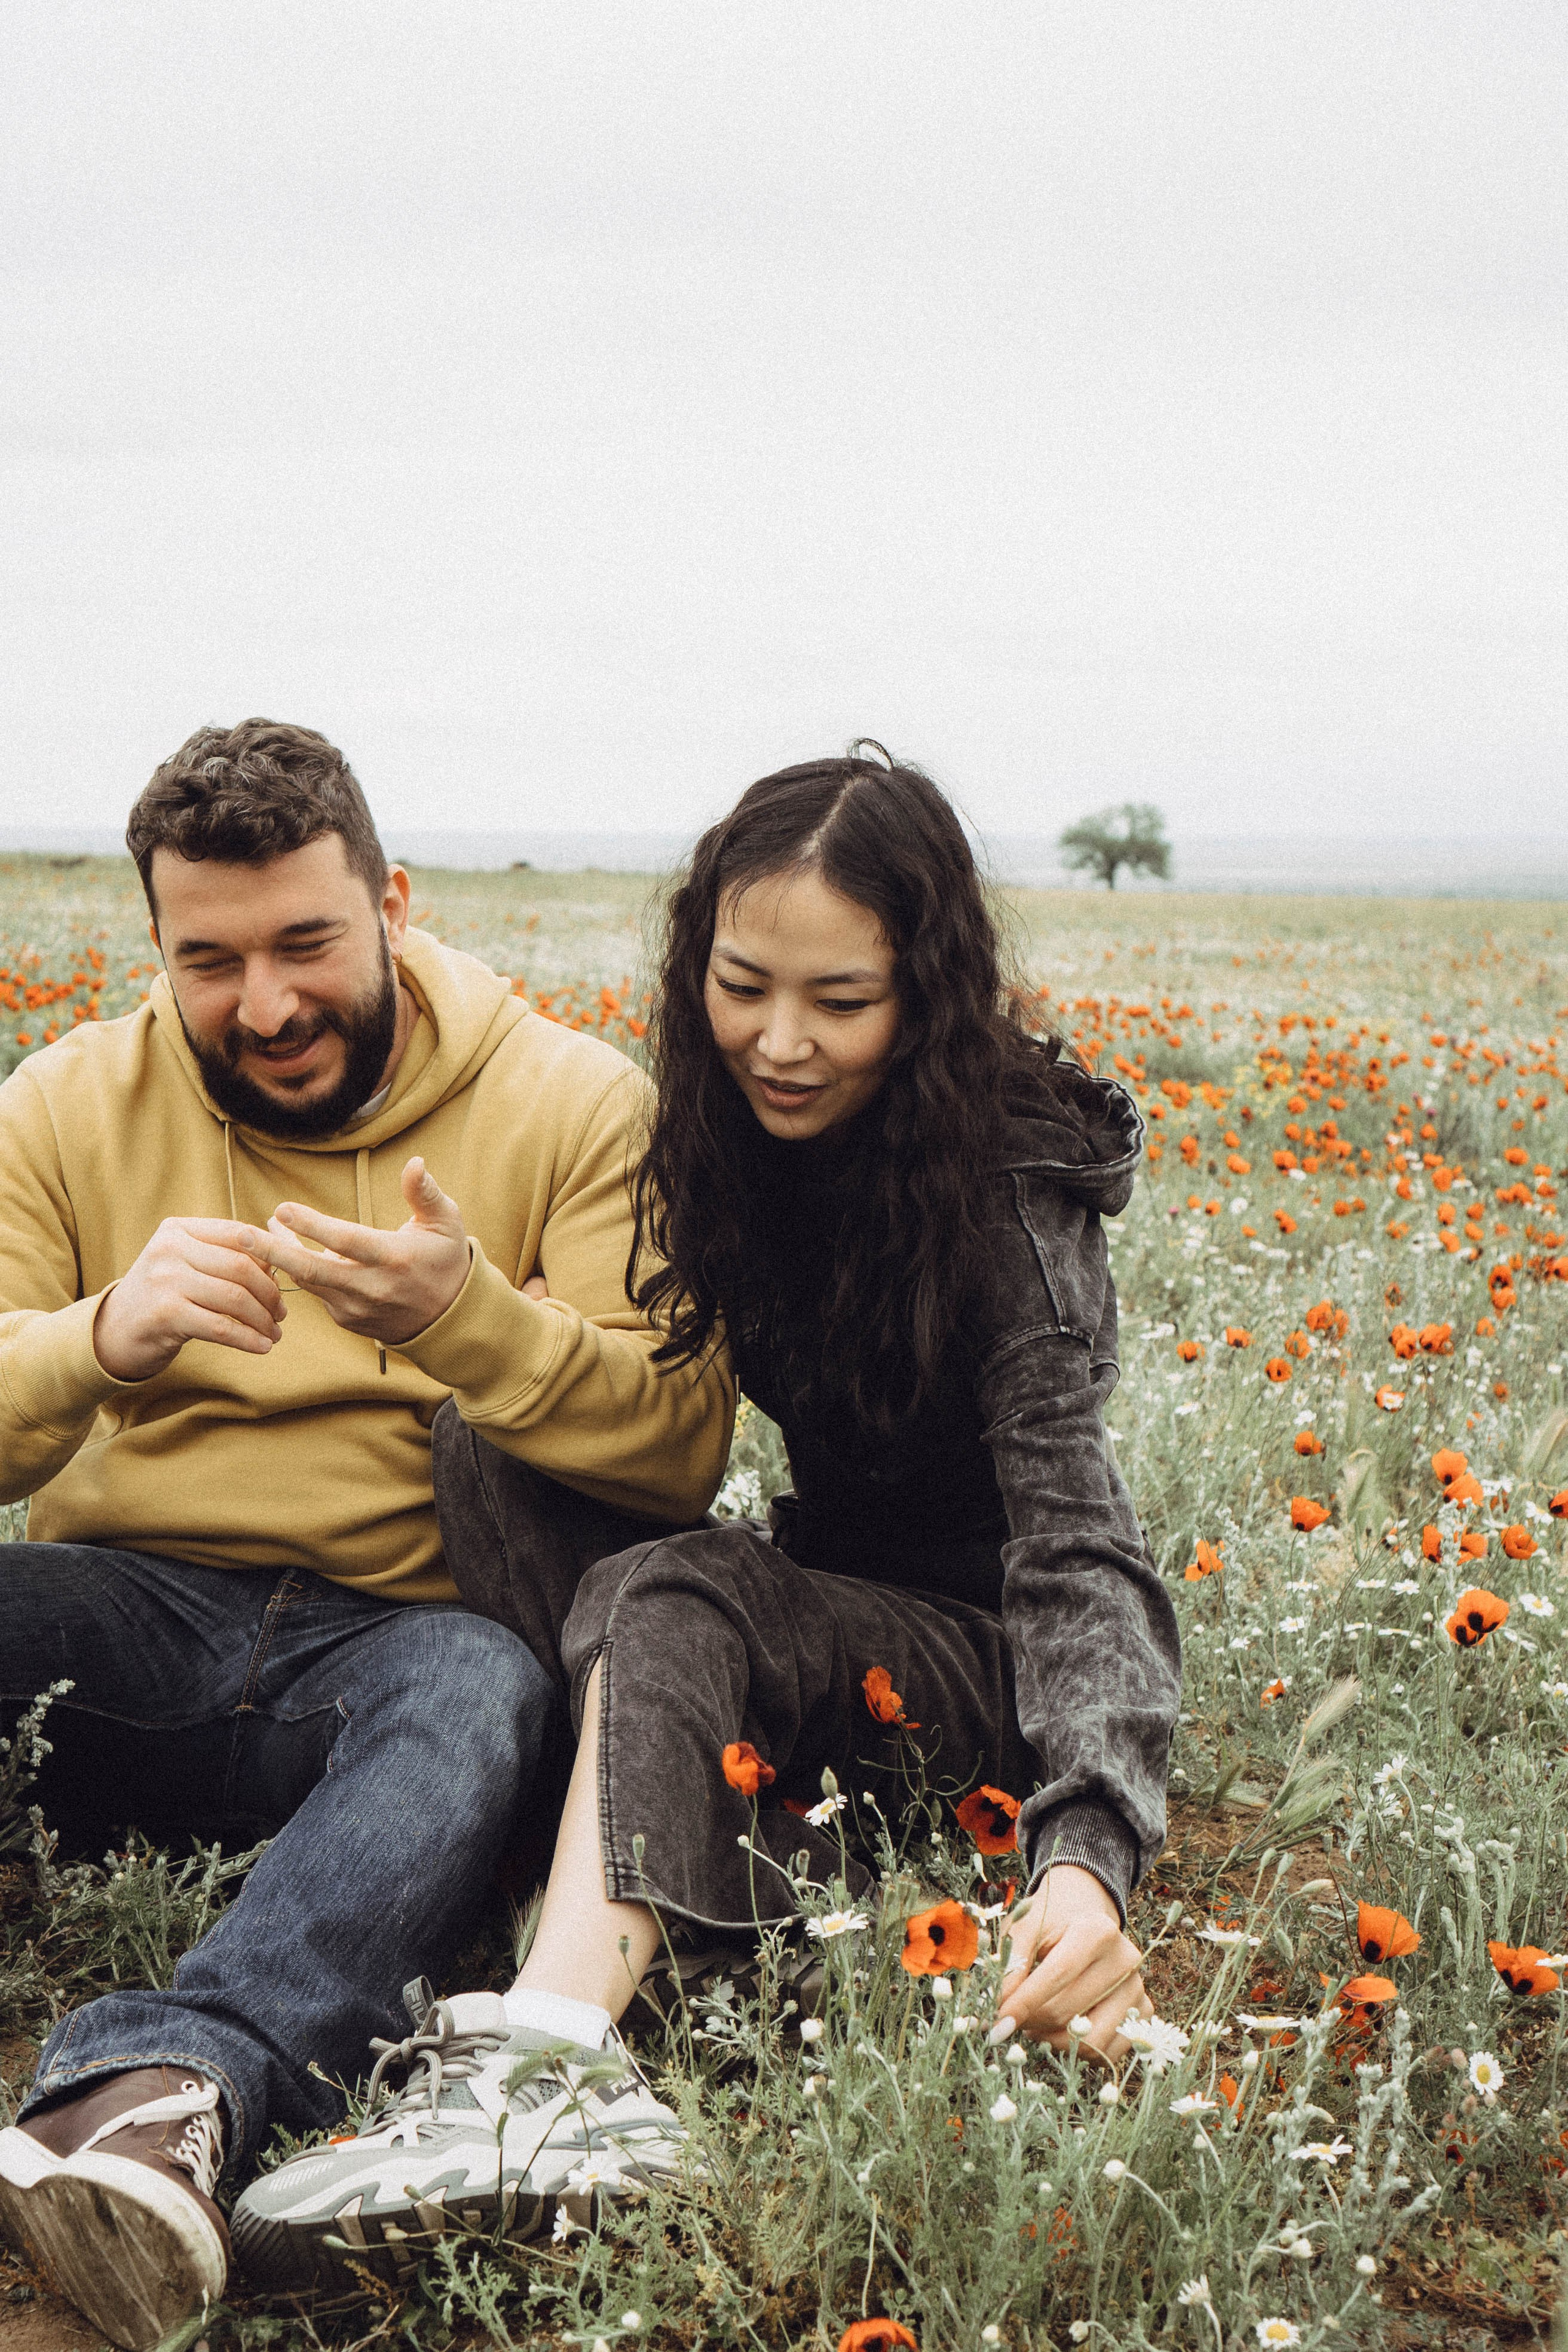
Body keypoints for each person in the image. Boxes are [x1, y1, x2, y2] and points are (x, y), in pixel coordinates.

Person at [238, 745, 1182, 2293]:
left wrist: (1084, 1853)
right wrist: (464, 1310)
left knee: (686, 1587)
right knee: (489, 1440)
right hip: (816, 1604)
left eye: (841, 1001)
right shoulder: (725, 1126)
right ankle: (620, 1840)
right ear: (699, 968)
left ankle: (546, 2080)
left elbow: (1078, 1541)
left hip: (972, 1662)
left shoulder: (1010, 1184)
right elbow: (638, 1407)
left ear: (924, 996)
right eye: (743, 986)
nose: (782, 1042)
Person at [0, 720, 731, 2351]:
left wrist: (471, 1322)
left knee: (481, 1694)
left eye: (306, 944)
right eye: (211, 961)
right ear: (156, 950)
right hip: (124, 1620)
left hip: (402, 1642)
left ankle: (160, 2093)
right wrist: (97, 1338)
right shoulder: (60, 1106)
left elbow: (682, 1449)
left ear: (391, 903)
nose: (264, 1005)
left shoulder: (573, 1105)